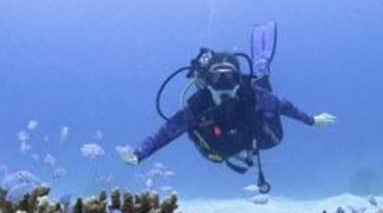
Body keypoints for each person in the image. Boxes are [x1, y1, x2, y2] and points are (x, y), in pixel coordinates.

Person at [117, 21, 335, 192]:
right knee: (206, 144)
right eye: (216, 79)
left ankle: (261, 70)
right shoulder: (197, 105)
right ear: (206, 81)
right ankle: (257, 74)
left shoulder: (252, 95)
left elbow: (285, 107)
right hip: (220, 146)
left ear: (238, 79)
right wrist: (140, 153)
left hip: (256, 136)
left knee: (270, 115)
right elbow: (165, 133)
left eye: (229, 78)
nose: (223, 85)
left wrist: (312, 120)